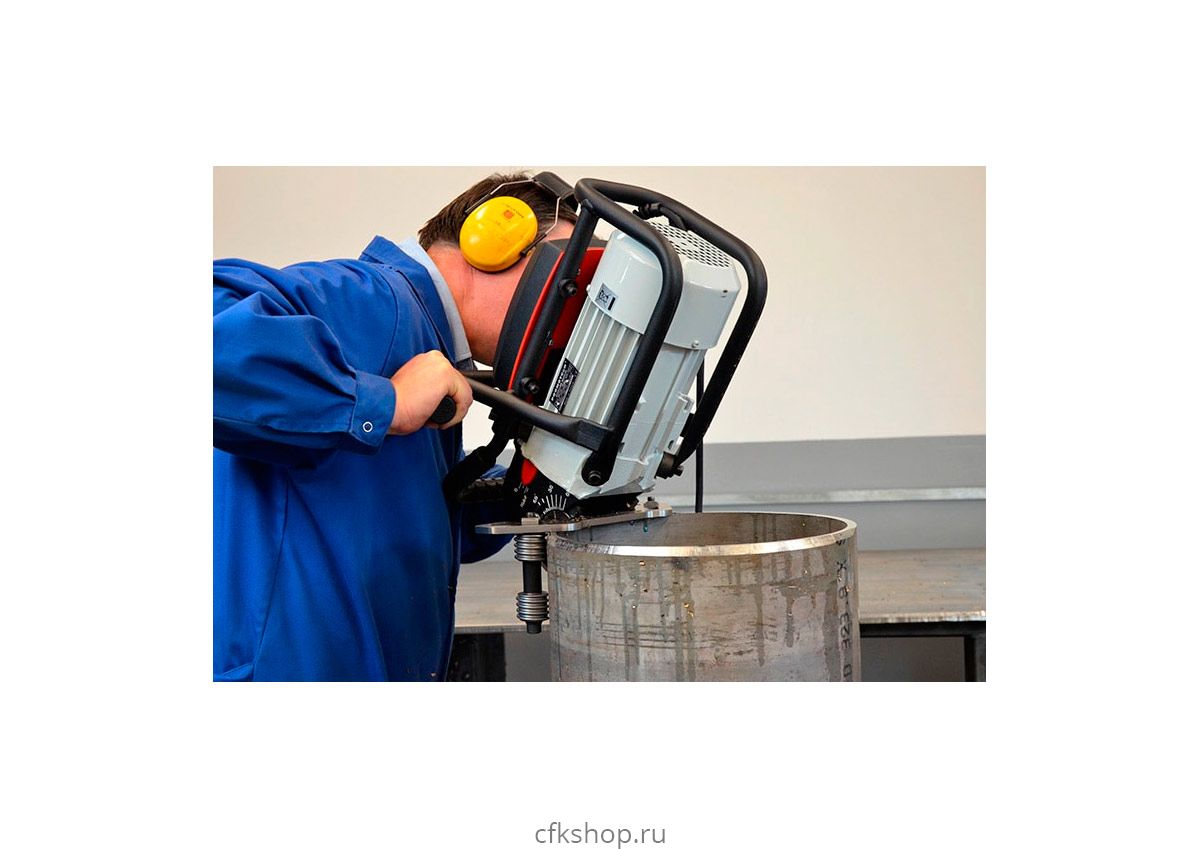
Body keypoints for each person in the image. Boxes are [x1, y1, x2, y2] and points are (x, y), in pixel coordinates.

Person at [213, 172, 576, 681]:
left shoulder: (425, 341)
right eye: (564, 281)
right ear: (492, 242)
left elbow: (399, 510)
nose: (568, 316)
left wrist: (527, 490)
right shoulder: (377, 300)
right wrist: (384, 402)